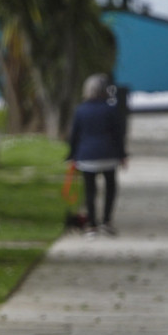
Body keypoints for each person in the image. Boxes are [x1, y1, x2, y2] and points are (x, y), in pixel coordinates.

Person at [67, 73, 128, 237]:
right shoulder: (111, 109)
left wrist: (71, 156)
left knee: (90, 191)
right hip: (108, 155)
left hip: (86, 157)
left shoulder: (80, 110)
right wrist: (122, 155)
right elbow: (118, 134)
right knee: (110, 188)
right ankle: (107, 221)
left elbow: (75, 135)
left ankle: (91, 225)